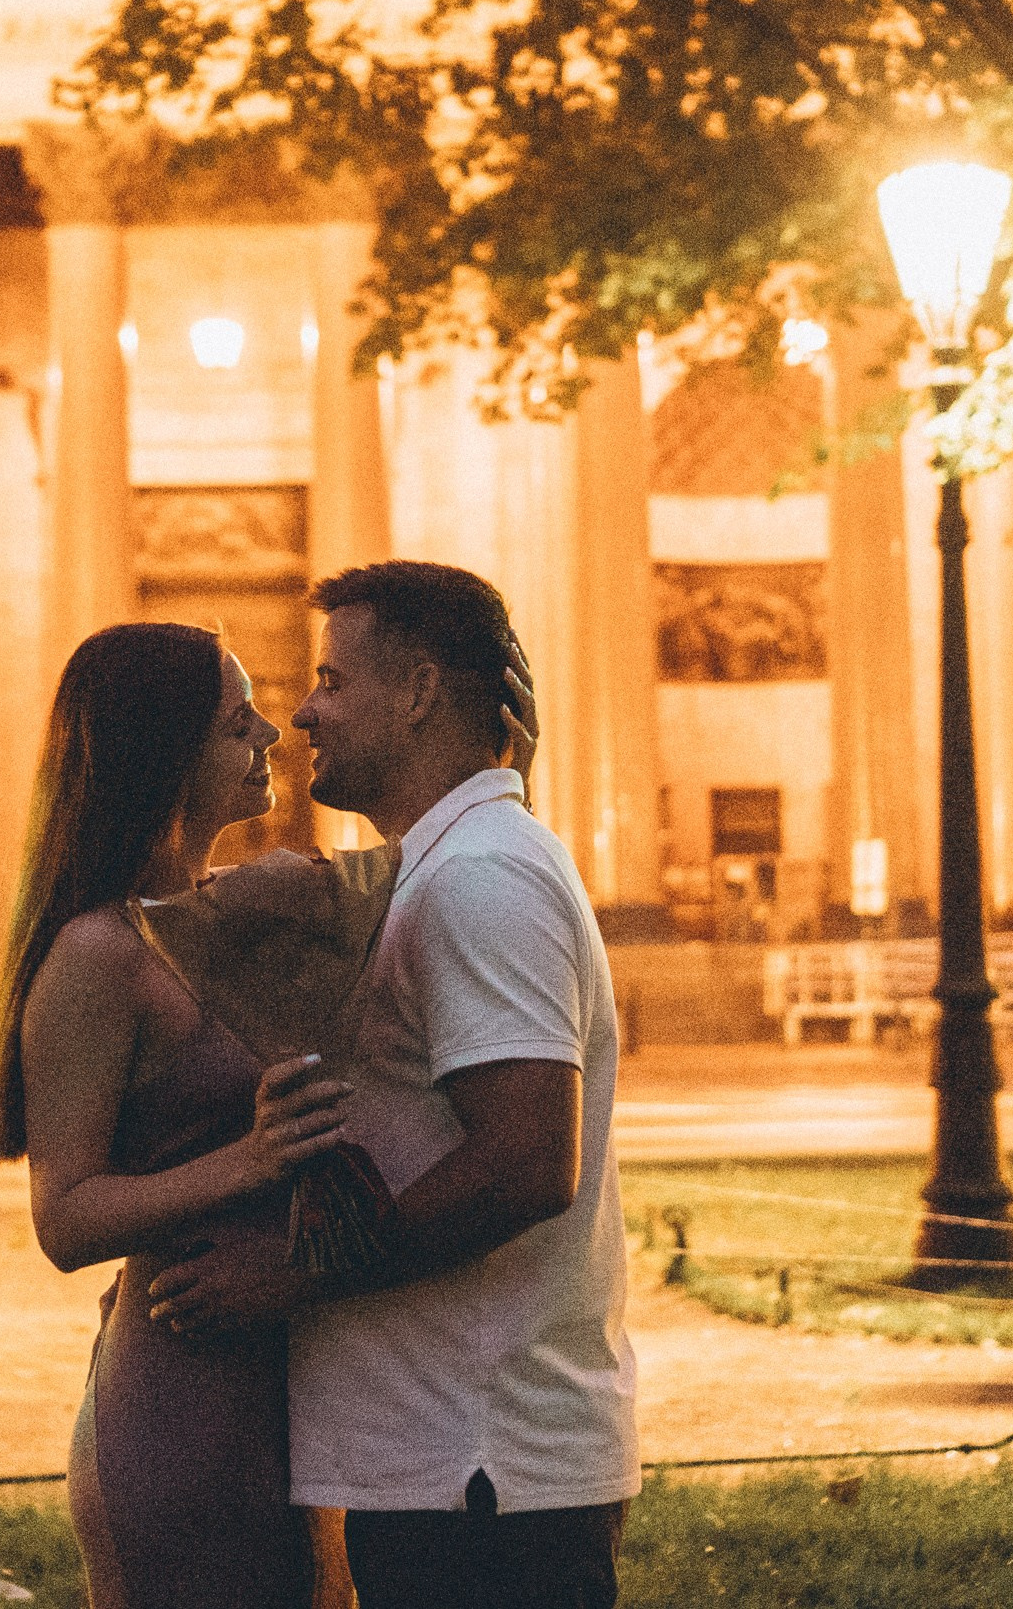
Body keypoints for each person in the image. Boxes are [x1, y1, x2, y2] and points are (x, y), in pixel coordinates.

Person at [147, 562, 641, 1609]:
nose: (301, 710)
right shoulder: (452, 862)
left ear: (418, 691)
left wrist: (293, 1277)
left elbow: (522, 1166)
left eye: (330, 679)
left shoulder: (480, 875)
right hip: (447, 1463)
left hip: (480, 1468)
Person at [0, 621, 357, 1609]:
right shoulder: (97, 957)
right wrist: (251, 1160)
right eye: (236, 725)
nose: (272, 734)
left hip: (284, 1381)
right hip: (183, 1403)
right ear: (165, 754)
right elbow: (64, 1219)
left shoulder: (222, 914)